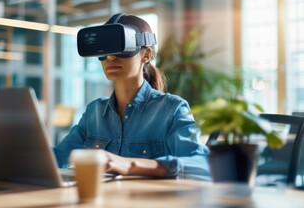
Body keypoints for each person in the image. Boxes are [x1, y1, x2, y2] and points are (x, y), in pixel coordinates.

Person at [53, 14, 210, 180]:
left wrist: (131, 164)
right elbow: (57, 158)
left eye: (120, 48)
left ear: (146, 55)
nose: (111, 57)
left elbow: (203, 164)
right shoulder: (95, 112)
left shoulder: (172, 109)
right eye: (105, 50)